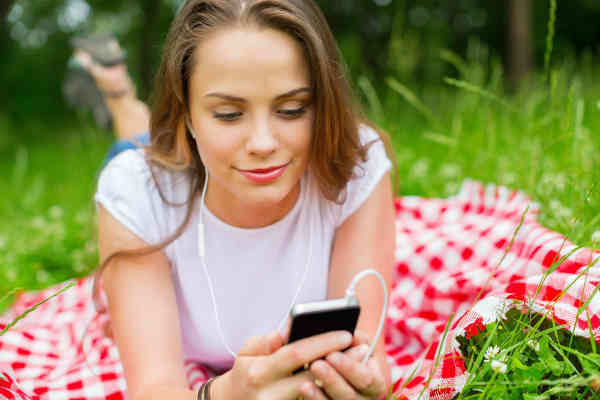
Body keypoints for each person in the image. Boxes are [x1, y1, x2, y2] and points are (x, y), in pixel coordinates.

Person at [85, 1, 396, 399]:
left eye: (292, 109)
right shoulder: (137, 191)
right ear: (188, 114)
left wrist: (363, 383)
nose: (263, 144)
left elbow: (371, 352)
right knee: (135, 145)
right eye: (229, 114)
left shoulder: (354, 163)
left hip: (200, 154)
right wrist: (221, 395)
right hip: (175, 167)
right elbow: (153, 388)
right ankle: (122, 100)